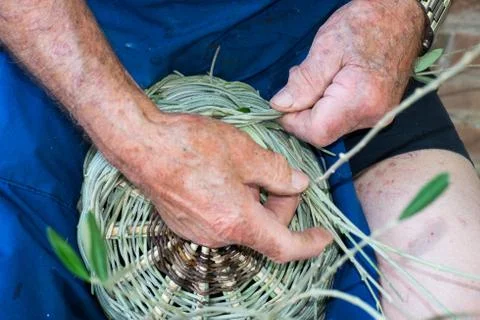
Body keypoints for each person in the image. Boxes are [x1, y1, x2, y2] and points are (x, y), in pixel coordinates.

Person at [0, 0, 478, 319]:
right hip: (64, 43)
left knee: (453, 295)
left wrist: (406, 10)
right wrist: (135, 138)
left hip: (318, 36)